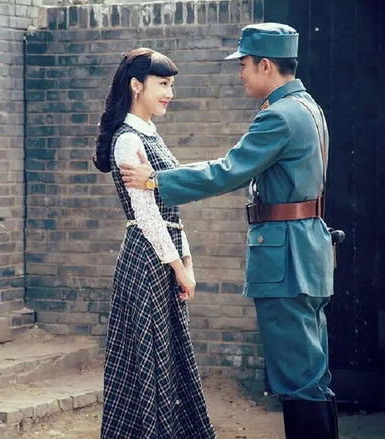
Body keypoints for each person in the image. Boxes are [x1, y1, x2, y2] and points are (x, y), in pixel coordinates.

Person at [120, 24, 339, 439]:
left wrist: (155, 180)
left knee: (297, 378)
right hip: (307, 251)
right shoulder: (307, 106)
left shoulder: (279, 115)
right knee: (312, 373)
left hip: (287, 258)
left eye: (244, 64)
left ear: (265, 65)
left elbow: (228, 170)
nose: (240, 73)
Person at [94, 47, 216, 438]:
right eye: (162, 84)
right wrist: (180, 267)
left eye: (171, 85)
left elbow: (171, 208)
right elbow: (146, 215)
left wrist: (187, 261)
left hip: (163, 256)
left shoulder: (150, 134)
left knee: (167, 356)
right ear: (136, 86)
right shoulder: (127, 140)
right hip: (146, 261)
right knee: (147, 359)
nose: (169, 93)